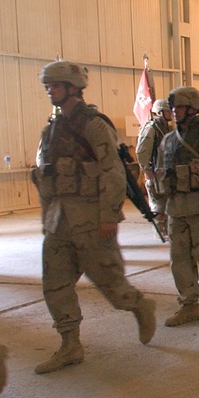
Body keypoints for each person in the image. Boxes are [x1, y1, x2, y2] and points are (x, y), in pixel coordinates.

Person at [31, 60, 156, 374]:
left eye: (55, 85)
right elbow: (46, 174)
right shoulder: (52, 129)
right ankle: (70, 345)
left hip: (90, 218)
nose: (50, 90)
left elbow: (113, 173)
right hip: (59, 221)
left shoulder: (94, 125)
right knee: (55, 283)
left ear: (73, 87)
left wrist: (109, 215)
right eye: (48, 85)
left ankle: (138, 304)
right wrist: (46, 217)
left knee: (109, 282)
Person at [158, 87, 199, 326]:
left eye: (178, 107)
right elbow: (161, 173)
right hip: (175, 208)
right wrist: (159, 205)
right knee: (178, 258)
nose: (174, 112)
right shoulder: (168, 140)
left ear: (192, 108)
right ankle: (189, 305)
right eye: (173, 108)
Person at [135, 98, 173, 240]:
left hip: (166, 173)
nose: (171, 113)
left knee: (167, 205)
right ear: (160, 112)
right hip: (155, 173)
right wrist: (147, 171)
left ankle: (167, 231)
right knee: (158, 207)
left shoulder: (167, 128)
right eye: (168, 111)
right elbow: (141, 152)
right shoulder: (152, 129)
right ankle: (160, 232)